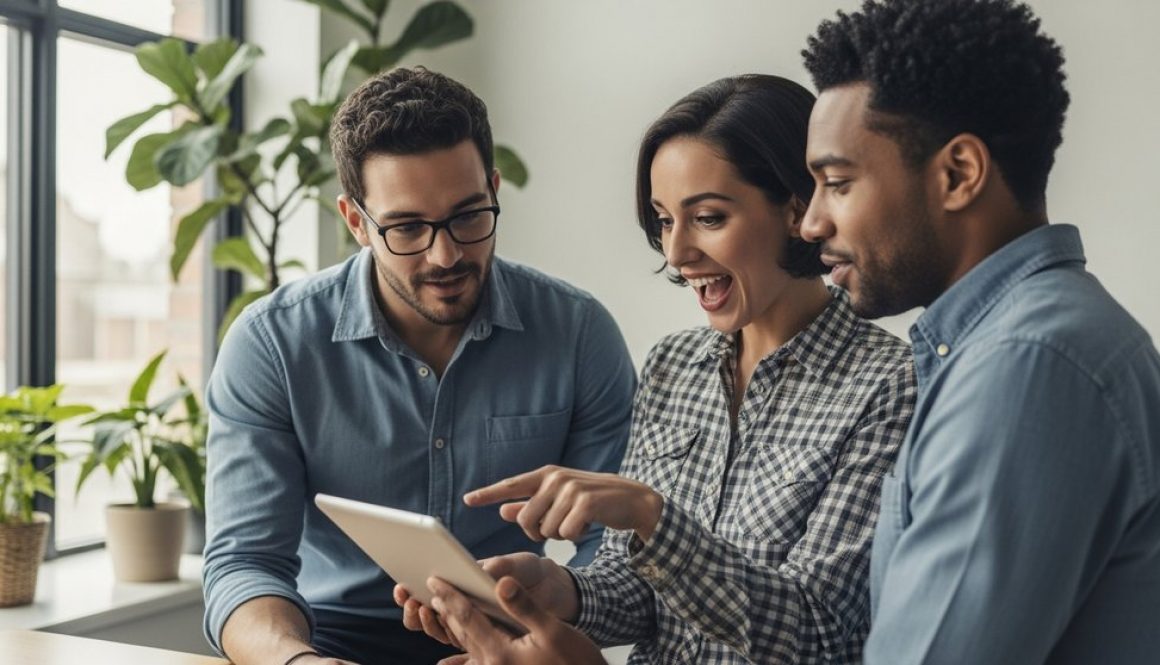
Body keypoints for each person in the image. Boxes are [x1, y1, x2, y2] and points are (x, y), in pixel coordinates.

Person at [403, 74, 916, 664]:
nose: (675, 254)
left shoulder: (888, 385)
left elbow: (817, 628)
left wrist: (652, 514)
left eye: (708, 218)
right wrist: (559, 591)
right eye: (665, 220)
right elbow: (642, 591)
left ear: (797, 207)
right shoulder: (674, 364)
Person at [201, 67, 636, 665]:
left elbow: (614, 551)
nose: (446, 253)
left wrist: (552, 613)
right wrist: (296, 661)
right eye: (407, 227)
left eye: (468, 215)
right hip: (327, 641)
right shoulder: (272, 343)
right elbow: (244, 563)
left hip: (507, 640)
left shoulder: (579, 333)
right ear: (356, 222)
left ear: (494, 189)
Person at [799, 1, 1160, 662]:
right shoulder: (1023, 344)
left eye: (838, 182)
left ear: (959, 173)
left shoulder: (1026, 367)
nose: (812, 222)